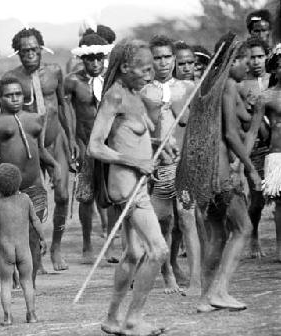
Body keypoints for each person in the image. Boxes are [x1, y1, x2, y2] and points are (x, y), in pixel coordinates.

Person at [176, 35, 263, 312]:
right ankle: (220, 290)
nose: (248, 67)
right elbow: (229, 134)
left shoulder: (209, 85)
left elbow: (243, 127)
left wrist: (256, 117)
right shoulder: (227, 85)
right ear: (233, 60)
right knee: (243, 228)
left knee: (217, 235)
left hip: (206, 174)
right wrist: (250, 168)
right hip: (220, 175)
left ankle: (205, 298)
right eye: (245, 60)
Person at [88, 39, 169, 336]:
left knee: (133, 253)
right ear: (125, 67)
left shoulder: (136, 94)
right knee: (159, 250)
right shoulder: (114, 96)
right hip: (125, 186)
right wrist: (137, 161)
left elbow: (131, 137)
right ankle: (134, 319)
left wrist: (159, 146)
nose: (150, 75)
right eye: (144, 69)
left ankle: (112, 319)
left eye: (152, 69)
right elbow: (95, 147)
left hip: (138, 183)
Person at [3, 27, 77, 271]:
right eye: (25, 51)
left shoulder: (55, 72)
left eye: (34, 49)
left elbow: (63, 106)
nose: (30, 54)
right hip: (29, 146)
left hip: (56, 141)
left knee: (64, 196)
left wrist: (72, 138)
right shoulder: (12, 79)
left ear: (41, 48)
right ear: (18, 53)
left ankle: (56, 248)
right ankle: (35, 254)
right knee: (33, 203)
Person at [0, 77, 60, 286]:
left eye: (18, 94)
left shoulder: (35, 119)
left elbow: (41, 149)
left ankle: (30, 280)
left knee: (34, 234)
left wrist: (55, 165)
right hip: (8, 191)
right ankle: (14, 278)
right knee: (10, 237)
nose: (15, 98)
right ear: (0, 98)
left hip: (35, 186)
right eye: (9, 95)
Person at [141, 36, 200, 295]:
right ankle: (168, 275)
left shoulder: (188, 88)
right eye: (157, 57)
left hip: (184, 162)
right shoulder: (144, 92)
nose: (163, 62)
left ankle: (196, 281)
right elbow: (141, 130)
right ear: (150, 61)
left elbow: (194, 125)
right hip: (158, 165)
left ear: (174, 59)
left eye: (167, 57)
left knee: (187, 219)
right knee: (163, 223)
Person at [0, 163, 47, 326]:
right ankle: (32, 315)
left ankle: (7, 317)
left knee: (6, 283)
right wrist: (43, 239)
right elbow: (35, 221)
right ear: (18, 181)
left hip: (5, 252)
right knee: (27, 282)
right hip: (24, 250)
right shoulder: (25, 199)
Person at [64, 32, 112, 263]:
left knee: (113, 194)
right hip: (85, 144)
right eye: (90, 58)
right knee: (86, 196)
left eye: (99, 58)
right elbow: (68, 112)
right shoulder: (73, 81)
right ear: (82, 59)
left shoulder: (113, 80)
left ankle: (110, 244)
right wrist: (73, 141)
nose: (95, 63)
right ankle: (86, 245)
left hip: (110, 144)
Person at [238, 37, 271, 258]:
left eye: (261, 56)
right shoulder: (241, 86)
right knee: (258, 199)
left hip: (276, 146)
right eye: (252, 57)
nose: (257, 61)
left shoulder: (273, 79)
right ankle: (254, 234)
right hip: (255, 147)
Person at [260, 46, 281, 262]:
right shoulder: (267, 96)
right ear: (274, 70)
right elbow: (257, 125)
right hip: (277, 154)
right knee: (280, 203)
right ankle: (279, 246)